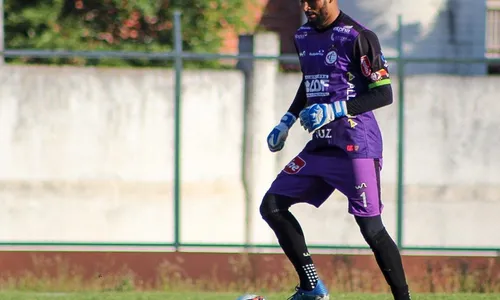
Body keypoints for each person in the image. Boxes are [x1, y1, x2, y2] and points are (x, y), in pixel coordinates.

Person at [260, 0, 412, 299]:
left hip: (356, 147)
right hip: (320, 145)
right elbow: (310, 82)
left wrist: (334, 111)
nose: (306, 6)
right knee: (272, 206)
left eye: (312, 0)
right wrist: (286, 121)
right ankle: (311, 287)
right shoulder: (303, 36)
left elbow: (383, 93)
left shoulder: (357, 36)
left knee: (371, 230)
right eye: (301, 0)